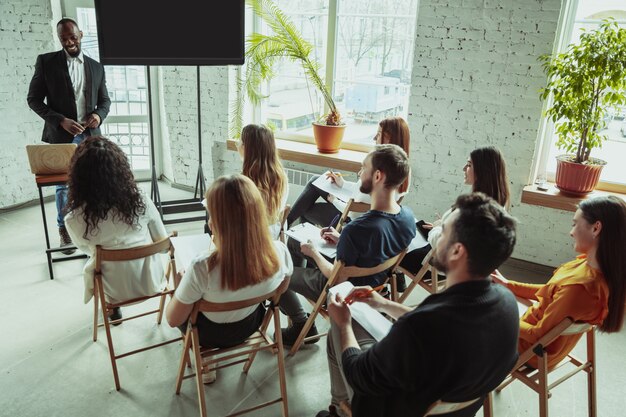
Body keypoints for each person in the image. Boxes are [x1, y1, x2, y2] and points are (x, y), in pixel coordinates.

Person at [318, 193, 520, 417]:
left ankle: (339, 410)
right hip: (450, 403)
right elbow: (438, 324)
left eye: (443, 232)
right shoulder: (507, 303)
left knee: (339, 326)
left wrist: (345, 324)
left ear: (457, 251)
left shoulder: (418, 327)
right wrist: (383, 304)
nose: (435, 237)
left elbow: (360, 376)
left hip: (387, 409)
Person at [279, 144, 416, 345]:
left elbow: (334, 279)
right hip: (375, 286)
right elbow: (377, 247)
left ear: (378, 176)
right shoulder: (408, 218)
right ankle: (298, 308)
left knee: (278, 271)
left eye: (363, 168)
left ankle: (300, 323)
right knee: (293, 243)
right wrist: (341, 239)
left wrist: (314, 253)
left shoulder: (358, 229)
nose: (359, 173)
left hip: (345, 292)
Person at [166, 174, 293, 384]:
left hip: (208, 334)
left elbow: (173, 320)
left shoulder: (201, 267)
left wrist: (180, 285)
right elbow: (281, 289)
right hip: (251, 325)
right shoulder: (279, 251)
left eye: (211, 214)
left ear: (218, 222)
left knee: (185, 305)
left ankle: (206, 360)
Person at [493, 195, 626, 369]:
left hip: (528, 350)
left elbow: (537, 334)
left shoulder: (581, 289)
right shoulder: (591, 269)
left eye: (575, 224)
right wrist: (508, 285)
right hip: (543, 341)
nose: (571, 232)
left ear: (596, 228)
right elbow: (551, 291)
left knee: (469, 318)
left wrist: (499, 319)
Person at [27, 18, 111, 254]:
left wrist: (98, 115)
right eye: (64, 38)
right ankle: (64, 230)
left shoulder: (96, 66)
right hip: (62, 137)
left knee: (95, 182)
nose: (69, 42)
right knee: (64, 186)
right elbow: (33, 100)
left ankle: (94, 227)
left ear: (81, 34)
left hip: (91, 136)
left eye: (72, 37)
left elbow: (105, 100)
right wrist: (60, 120)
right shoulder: (46, 63)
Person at [64, 137, 166, 322]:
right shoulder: (141, 199)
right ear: (121, 170)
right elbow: (163, 243)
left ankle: (113, 308)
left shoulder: (74, 219)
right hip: (151, 283)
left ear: (79, 177)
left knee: (99, 260)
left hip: (112, 291)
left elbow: (87, 251)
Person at [399, 146, 510, 287]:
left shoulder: (471, 209)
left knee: (397, 241)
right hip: (465, 266)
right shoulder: (499, 204)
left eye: (469, 165)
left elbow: (442, 244)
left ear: (482, 172)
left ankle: (386, 286)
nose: (464, 168)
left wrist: (438, 229)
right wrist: (444, 226)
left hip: (438, 264)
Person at [286, 116, 411, 228]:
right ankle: (286, 226)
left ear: (390, 138)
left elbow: (355, 211)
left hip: (349, 219)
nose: (374, 138)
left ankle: (285, 227)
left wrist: (334, 200)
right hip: (354, 209)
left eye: (379, 134)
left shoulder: (381, 170)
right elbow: (361, 193)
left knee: (305, 209)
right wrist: (343, 184)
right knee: (316, 180)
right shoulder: (401, 168)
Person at [239, 124, 289, 239]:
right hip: (273, 234)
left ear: (247, 148)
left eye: (241, 142)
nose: (238, 145)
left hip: (251, 239)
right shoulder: (282, 177)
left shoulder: (244, 182)